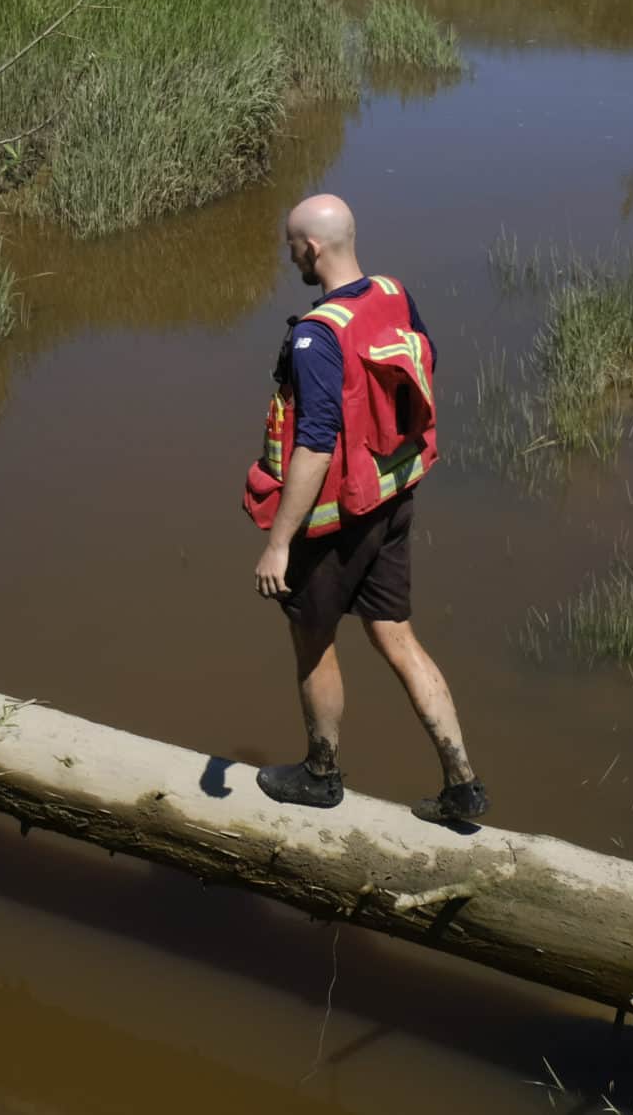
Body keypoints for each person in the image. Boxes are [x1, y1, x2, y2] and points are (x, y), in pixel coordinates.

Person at [240, 193, 488, 823]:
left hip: (335, 520)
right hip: (393, 497)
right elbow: (422, 365)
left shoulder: (315, 339)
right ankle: (463, 786)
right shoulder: (391, 293)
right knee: (397, 637)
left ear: (312, 249)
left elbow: (316, 444)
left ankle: (320, 775)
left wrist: (279, 543)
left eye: (291, 243)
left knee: (313, 639)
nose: (288, 252)